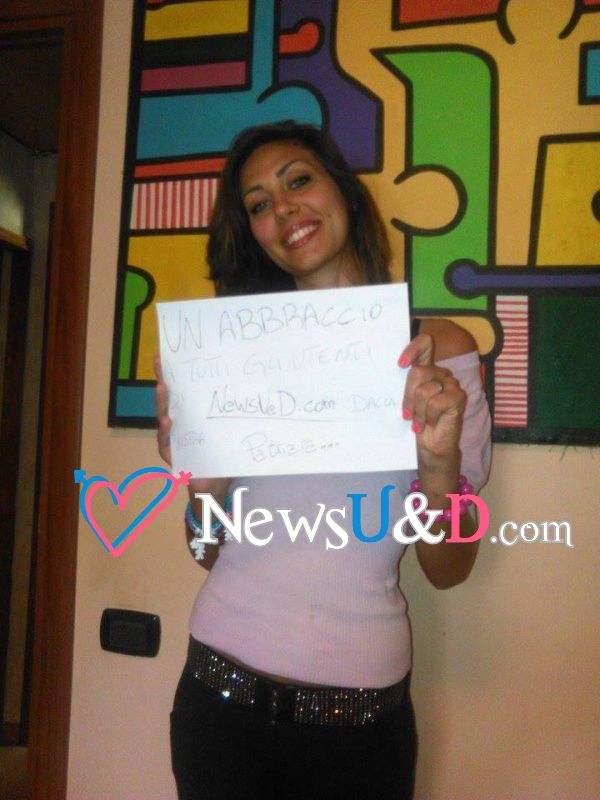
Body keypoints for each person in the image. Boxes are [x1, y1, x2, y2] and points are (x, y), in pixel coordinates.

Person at [155, 121, 491, 799]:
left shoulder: (442, 351)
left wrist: (439, 463)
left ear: (343, 190)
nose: (283, 209)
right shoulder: (234, 357)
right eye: (258, 204)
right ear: (254, 233)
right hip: (217, 702)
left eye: (298, 181)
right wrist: (203, 493)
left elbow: (449, 569)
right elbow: (204, 552)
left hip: (360, 726)